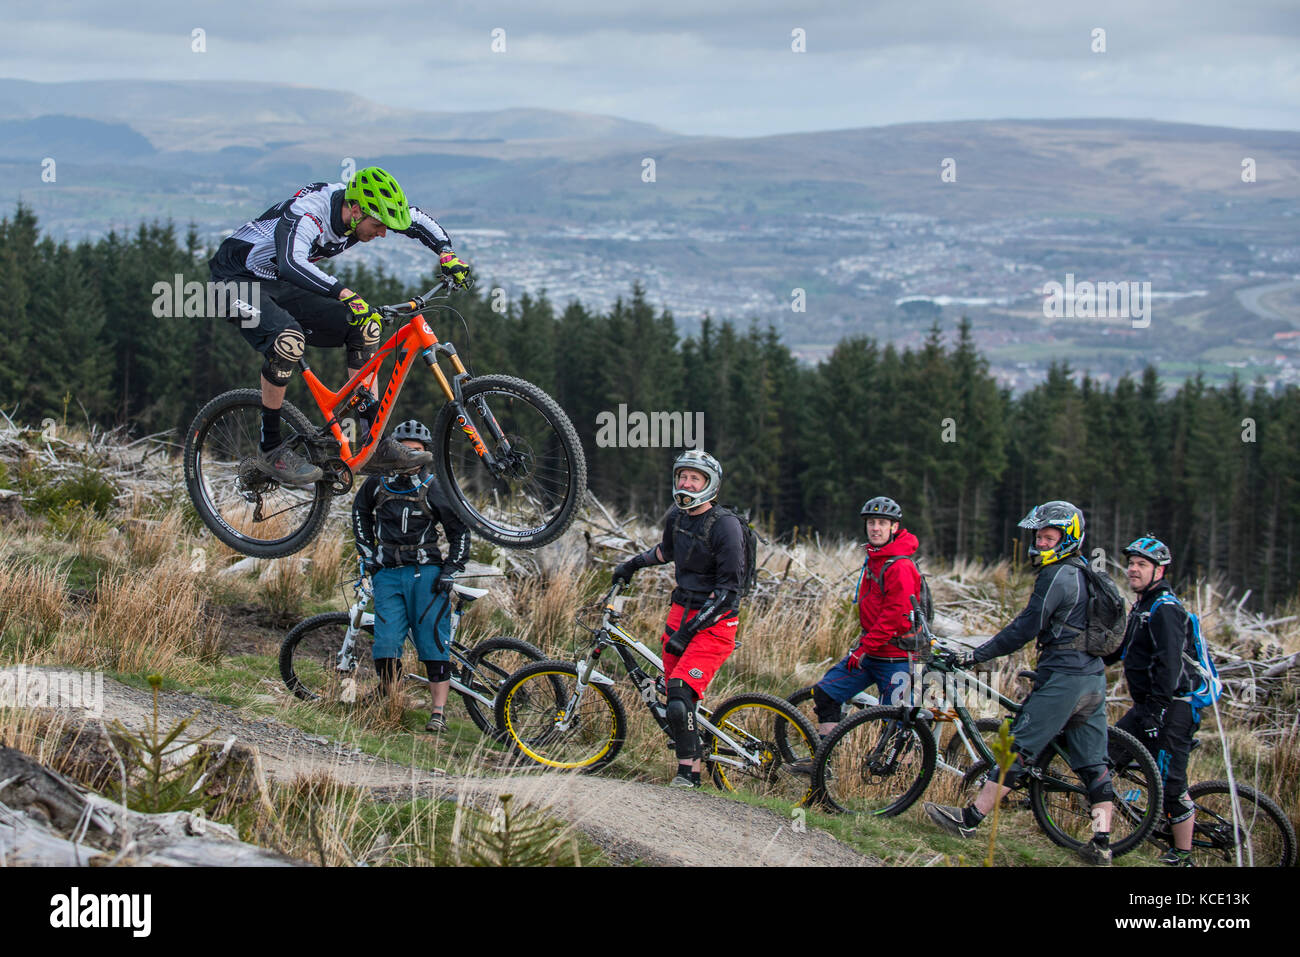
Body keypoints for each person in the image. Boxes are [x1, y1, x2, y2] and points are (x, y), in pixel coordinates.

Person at [210, 166, 475, 486]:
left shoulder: (360, 206)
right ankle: (270, 450)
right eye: (377, 226)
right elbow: (292, 262)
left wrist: (445, 252)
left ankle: (372, 444)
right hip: (234, 281)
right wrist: (345, 293)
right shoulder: (310, 213)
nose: (382, 234)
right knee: (288, 341)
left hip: (278, 283)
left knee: (365, 328)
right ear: (355, 209)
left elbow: (415, 219)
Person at [923, 500, 1116, 865]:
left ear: (1067, 537)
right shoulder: (1087, 573)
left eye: (1048, 536)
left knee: (1017, 749)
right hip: (1093, 682)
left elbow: (1026, 627)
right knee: (1094, 766)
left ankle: (969, 820)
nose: (1040, 543)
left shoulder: (1057, 574)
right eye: (1038, 536)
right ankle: (1101, 843)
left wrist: (977, 655)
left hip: (1064, 681)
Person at [611, 450, 743, 789]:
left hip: (715, 623)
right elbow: (666, 551)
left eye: (694, 478)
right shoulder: (677, 516)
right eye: (683, 476)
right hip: (679, 614)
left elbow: (729, 591)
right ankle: (691, 762)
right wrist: (632, 564)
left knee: (680, 693)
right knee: (672, 699)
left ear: (709, 484)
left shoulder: (725, 525)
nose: (686, 483)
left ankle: (688, 777)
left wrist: (693, 630)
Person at [352, 419, 470, 732]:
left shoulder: (434, 487)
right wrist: (368, 556)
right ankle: (391, 699)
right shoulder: (377, 483)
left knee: (433, 645)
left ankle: (438, 713)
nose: (409, 456)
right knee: (386, 645)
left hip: (427, 576)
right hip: (388, 574)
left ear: (426, 454)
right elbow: (360, 512)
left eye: (416, 451)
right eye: (403, 450)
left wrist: (450, 570)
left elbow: (459, 531)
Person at [790, 497, 922, 772]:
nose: (875, 528)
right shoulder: (876, 558)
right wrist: (864, 646)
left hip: (897, 657)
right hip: (872, 653)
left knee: (897, 726)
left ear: (894, 527)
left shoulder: (899, 565)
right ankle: (822, 761)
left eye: (882, 523)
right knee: (825, 693)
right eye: (871, 523)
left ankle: (903, 784)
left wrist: (863, 647)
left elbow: (896, 617)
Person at [1108, 535, 1198, 866]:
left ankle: (1183, 854)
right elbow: (1122, 651)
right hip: (1147, 707)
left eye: (1141, 564)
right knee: (1104, 756)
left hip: (1173, 707)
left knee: (1171, 781)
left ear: (1159, 571)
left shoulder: (1166, 609)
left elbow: (1170, 665)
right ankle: (1115, 827)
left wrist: (1158, 710)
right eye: (1131, 563)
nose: (1133, 569)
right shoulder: (1143, 605)